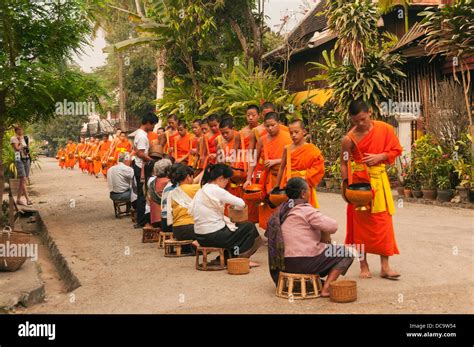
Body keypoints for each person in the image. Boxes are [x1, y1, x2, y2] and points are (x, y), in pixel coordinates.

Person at [341, 99, 402, 280]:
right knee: (359, 226)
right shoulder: (348, 139)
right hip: (359, 186)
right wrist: (346, 185)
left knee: (383, 223)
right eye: (355, 121)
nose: (359, 124)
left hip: (379, 183)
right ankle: (363, 264)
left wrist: (381, 156)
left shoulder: (385, 129)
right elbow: (344, 163)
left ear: (369, 113)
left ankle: (385, 266)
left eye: (362, 119)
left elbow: (396, 149)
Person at [266, 177, 354, 296]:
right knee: (346, 253)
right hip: (304, 262)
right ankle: (326, 288)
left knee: (323, 240)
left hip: (283, 264)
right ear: (303, 193)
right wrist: (324, 232)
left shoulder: (281, 210)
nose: (309, 193)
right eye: (308, 190)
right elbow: (333, 226)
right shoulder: (305, 209)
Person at [189, 163, 262, 266]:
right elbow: (241, 203)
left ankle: (229, 256)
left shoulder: (203, 189)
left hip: (200, 236)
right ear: (221, 178)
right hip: (213, 236)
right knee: (249, 227)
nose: (227, 182)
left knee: (236, 230)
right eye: (227, 179)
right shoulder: (216, 190)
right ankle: (239, 258)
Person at [244, 112, 292, 229]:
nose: (270, 128)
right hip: (269, 177)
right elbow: (253, 160)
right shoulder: (262, 140)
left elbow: (294, 156)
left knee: (285, 203)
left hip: (286, 176)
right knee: (269, 203)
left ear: (279, 124)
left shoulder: (288, 136)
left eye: (273, 125)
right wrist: (248, 178)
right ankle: (271, 228)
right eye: (267, 126)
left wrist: (276, 161)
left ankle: (285, 229)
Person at [275, 119, 325, 208]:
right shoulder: (287, 148)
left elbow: (319, 168)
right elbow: (282, 168)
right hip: (290, 185)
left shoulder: (312, 149)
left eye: (296, 132)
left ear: (304, 131)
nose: (293, 135)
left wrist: (303, 176)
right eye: (291, 133)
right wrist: (277, 186)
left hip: (304, 186)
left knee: (305, 212)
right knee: (290, 212)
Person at [166, 164, 201, 252]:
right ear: (188, 177)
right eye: (192, 177)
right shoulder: (194, 188)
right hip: (191, 229)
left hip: (177, 230)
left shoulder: (173, 191)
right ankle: (196, 243)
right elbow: (209, 186)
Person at [133, 112, 158, 228]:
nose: (153, 128)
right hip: (141, 167)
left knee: (141, 193)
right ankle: (142, 221)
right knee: (143, 194)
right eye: (153, 125)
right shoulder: (142, 136)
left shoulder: (139, 133)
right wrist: (152, 161)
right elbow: (140, 153)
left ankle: (140, 220)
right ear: (148, 123)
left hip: (139, 166)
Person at [10, 126, 32, 205]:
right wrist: (19, 141)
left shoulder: (26, 137)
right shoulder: (13, 138)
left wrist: (27, 152)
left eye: (21, 129)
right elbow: (17, 149)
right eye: (19, 129)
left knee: (23, 180)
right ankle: (28, 199)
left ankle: (18, 199)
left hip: (26, 158)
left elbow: (27, 148)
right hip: (18, 159)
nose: (20, 130)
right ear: (16, 131)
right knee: (23, 178)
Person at [147, 159, 173, 227]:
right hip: (164, 220)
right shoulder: (168, 182)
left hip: (154, 219)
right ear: (168, 171)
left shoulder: (152, 182)